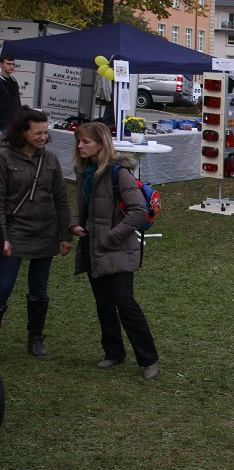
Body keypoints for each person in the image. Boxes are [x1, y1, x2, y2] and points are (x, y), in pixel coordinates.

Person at [69, 123, 160, 379]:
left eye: (86, 142)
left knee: (124, 302)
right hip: (93, 247)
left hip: (117, 249)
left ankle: (149, 358)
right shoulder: (84, 172)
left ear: (101, 143)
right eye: (79, 141)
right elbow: (83, 208)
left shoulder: (119, 174)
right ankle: (113, 352)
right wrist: (74, 224)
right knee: (103, 303)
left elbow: (138, 212)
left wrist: (112, 236)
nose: (80, 146)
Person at [0, 107, 72, 355]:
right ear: (22, 132)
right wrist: (4, 237)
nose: (43, 137)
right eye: (37, 133)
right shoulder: (4, 158)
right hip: (16, 231)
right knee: (4, 286)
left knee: (39, 287)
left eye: (45, 132)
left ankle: (35, 338)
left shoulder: (50, 159)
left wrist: (65, 235)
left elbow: (61, 198)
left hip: (46, 230)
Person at [0, 54, 22, 140]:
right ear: (1, 64)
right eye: (8, 64)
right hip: (2, 125)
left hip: (14, 124)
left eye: (13, 64)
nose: (12, 67)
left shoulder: (13, 80)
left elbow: (17, 102)